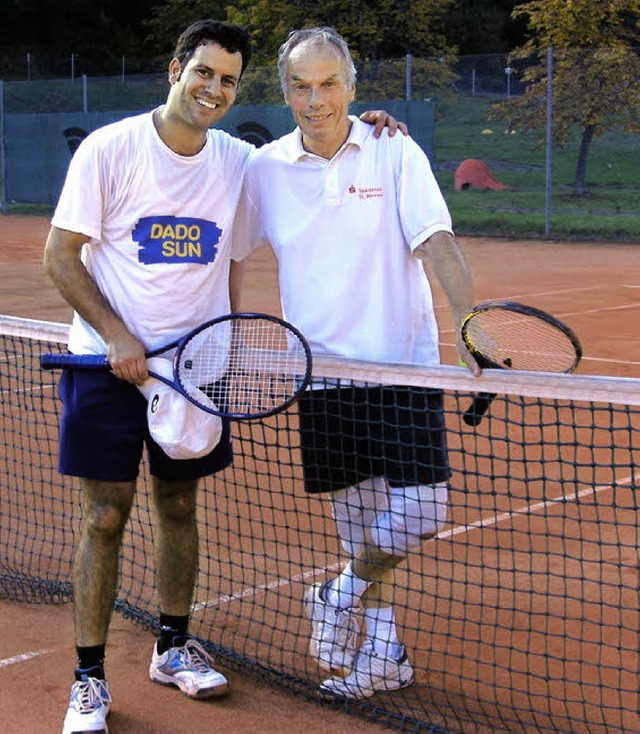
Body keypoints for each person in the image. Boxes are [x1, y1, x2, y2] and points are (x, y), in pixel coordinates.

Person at [44, 18, 406, 734]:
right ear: (175, 70)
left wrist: (364, 123)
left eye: (228, 79)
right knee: (104, 517)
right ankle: (88, 680)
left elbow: (311, 151)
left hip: (194, 369)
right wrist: (118, 336)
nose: (214, 88)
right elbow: (61, 255)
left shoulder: (240, 162)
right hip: (105, 365)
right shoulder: (111, 150)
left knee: (179, 508)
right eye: (203, 72)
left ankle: (173, 645)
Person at [232, 27, 481, 701]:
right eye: (300, 86)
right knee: (361, 524)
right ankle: (382, 654)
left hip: (401, 367)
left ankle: (333, 598)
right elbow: (233, 250)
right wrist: (231, 333)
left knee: (421, 507)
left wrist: (468, 322)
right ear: (284, 90)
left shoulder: (392, 148)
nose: (315, 100)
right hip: (319, 373)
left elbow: (437, 239)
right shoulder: (264, 168)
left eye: (328, 84)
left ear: (352, 82)